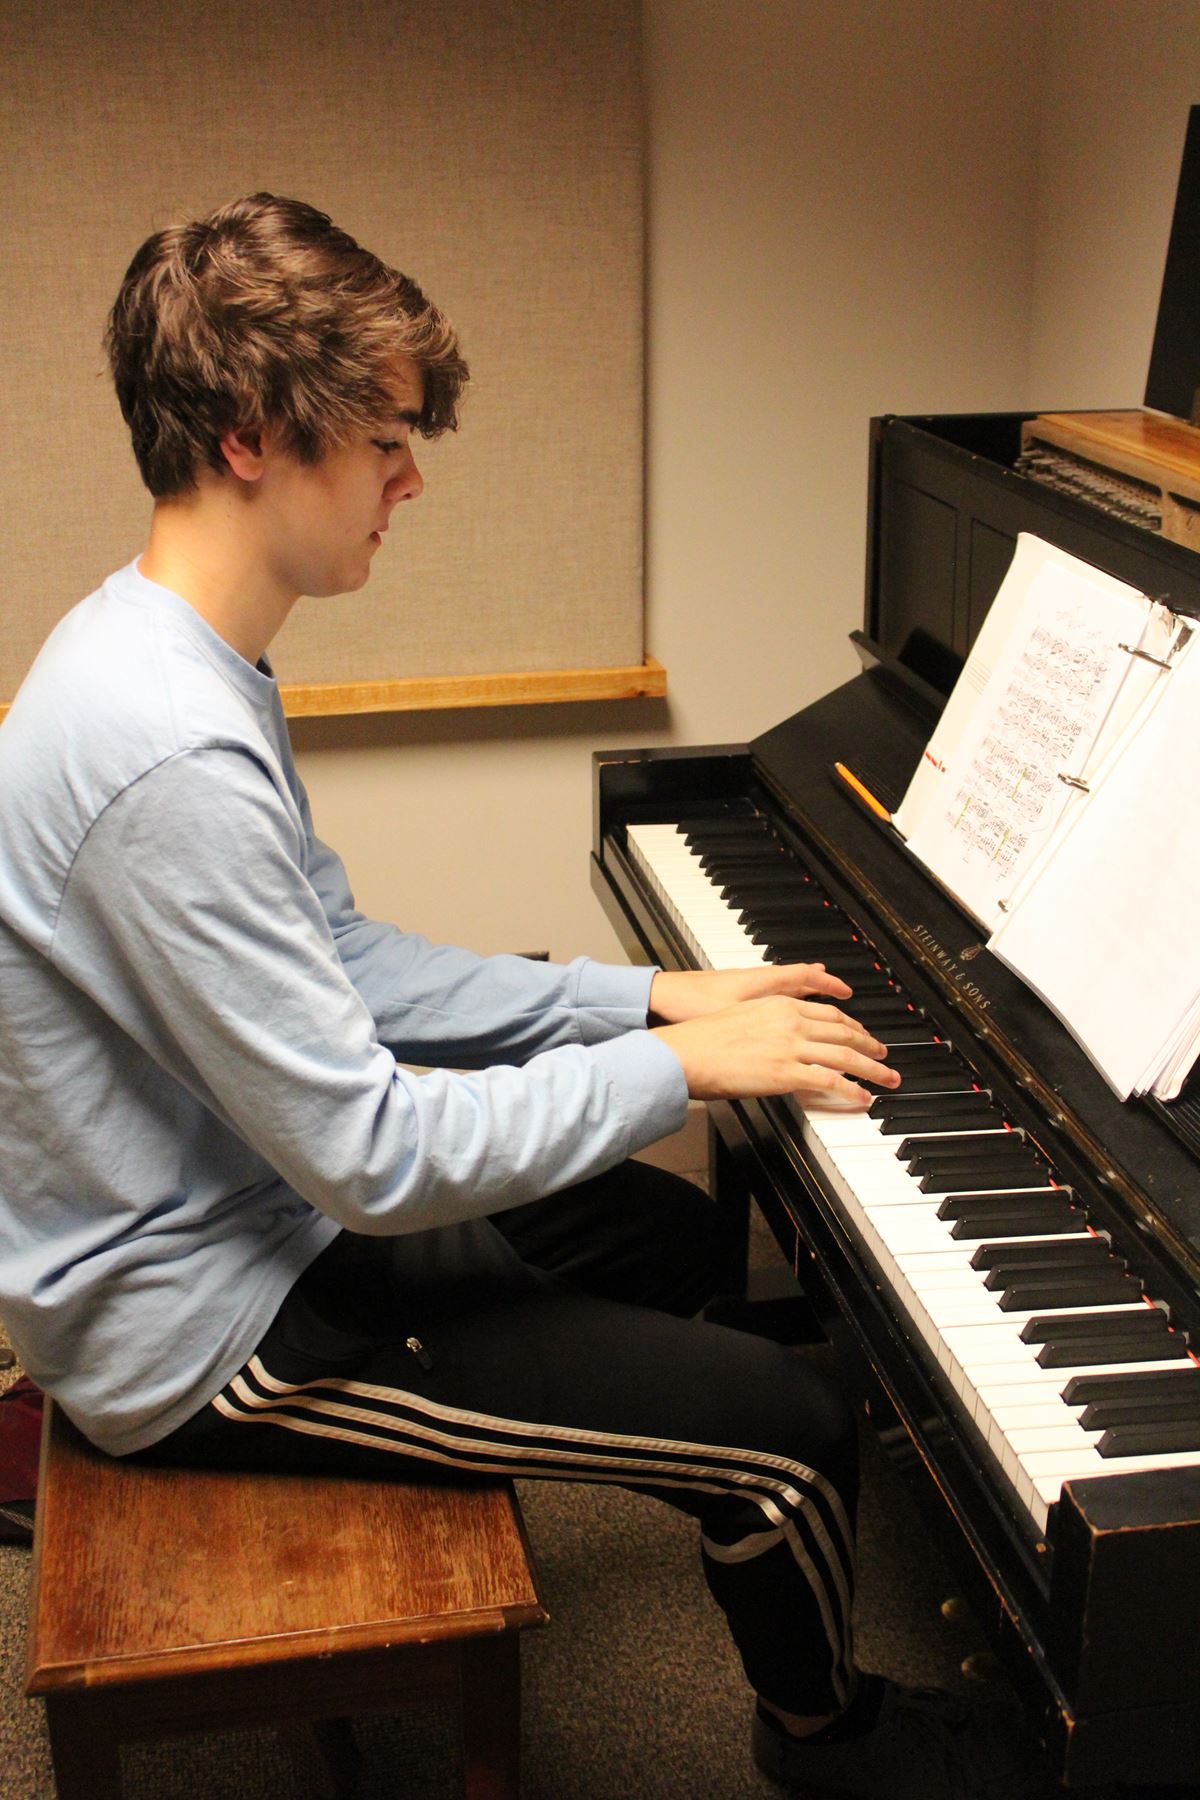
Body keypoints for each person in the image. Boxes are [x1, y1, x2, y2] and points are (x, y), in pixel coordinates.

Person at [0, 194, 1040, 1798]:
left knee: (674, 1240)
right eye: (386, 442)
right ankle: (822, 1735)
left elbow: (349, 962)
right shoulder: (168, 750)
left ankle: (701, 1451)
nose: (412, 480)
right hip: (199, 1325)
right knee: (787, 1429)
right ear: (250, 435)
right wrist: (689, 1070)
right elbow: (370, 1156)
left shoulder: (173, 654)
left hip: (254, 1206)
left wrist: (647, 998)